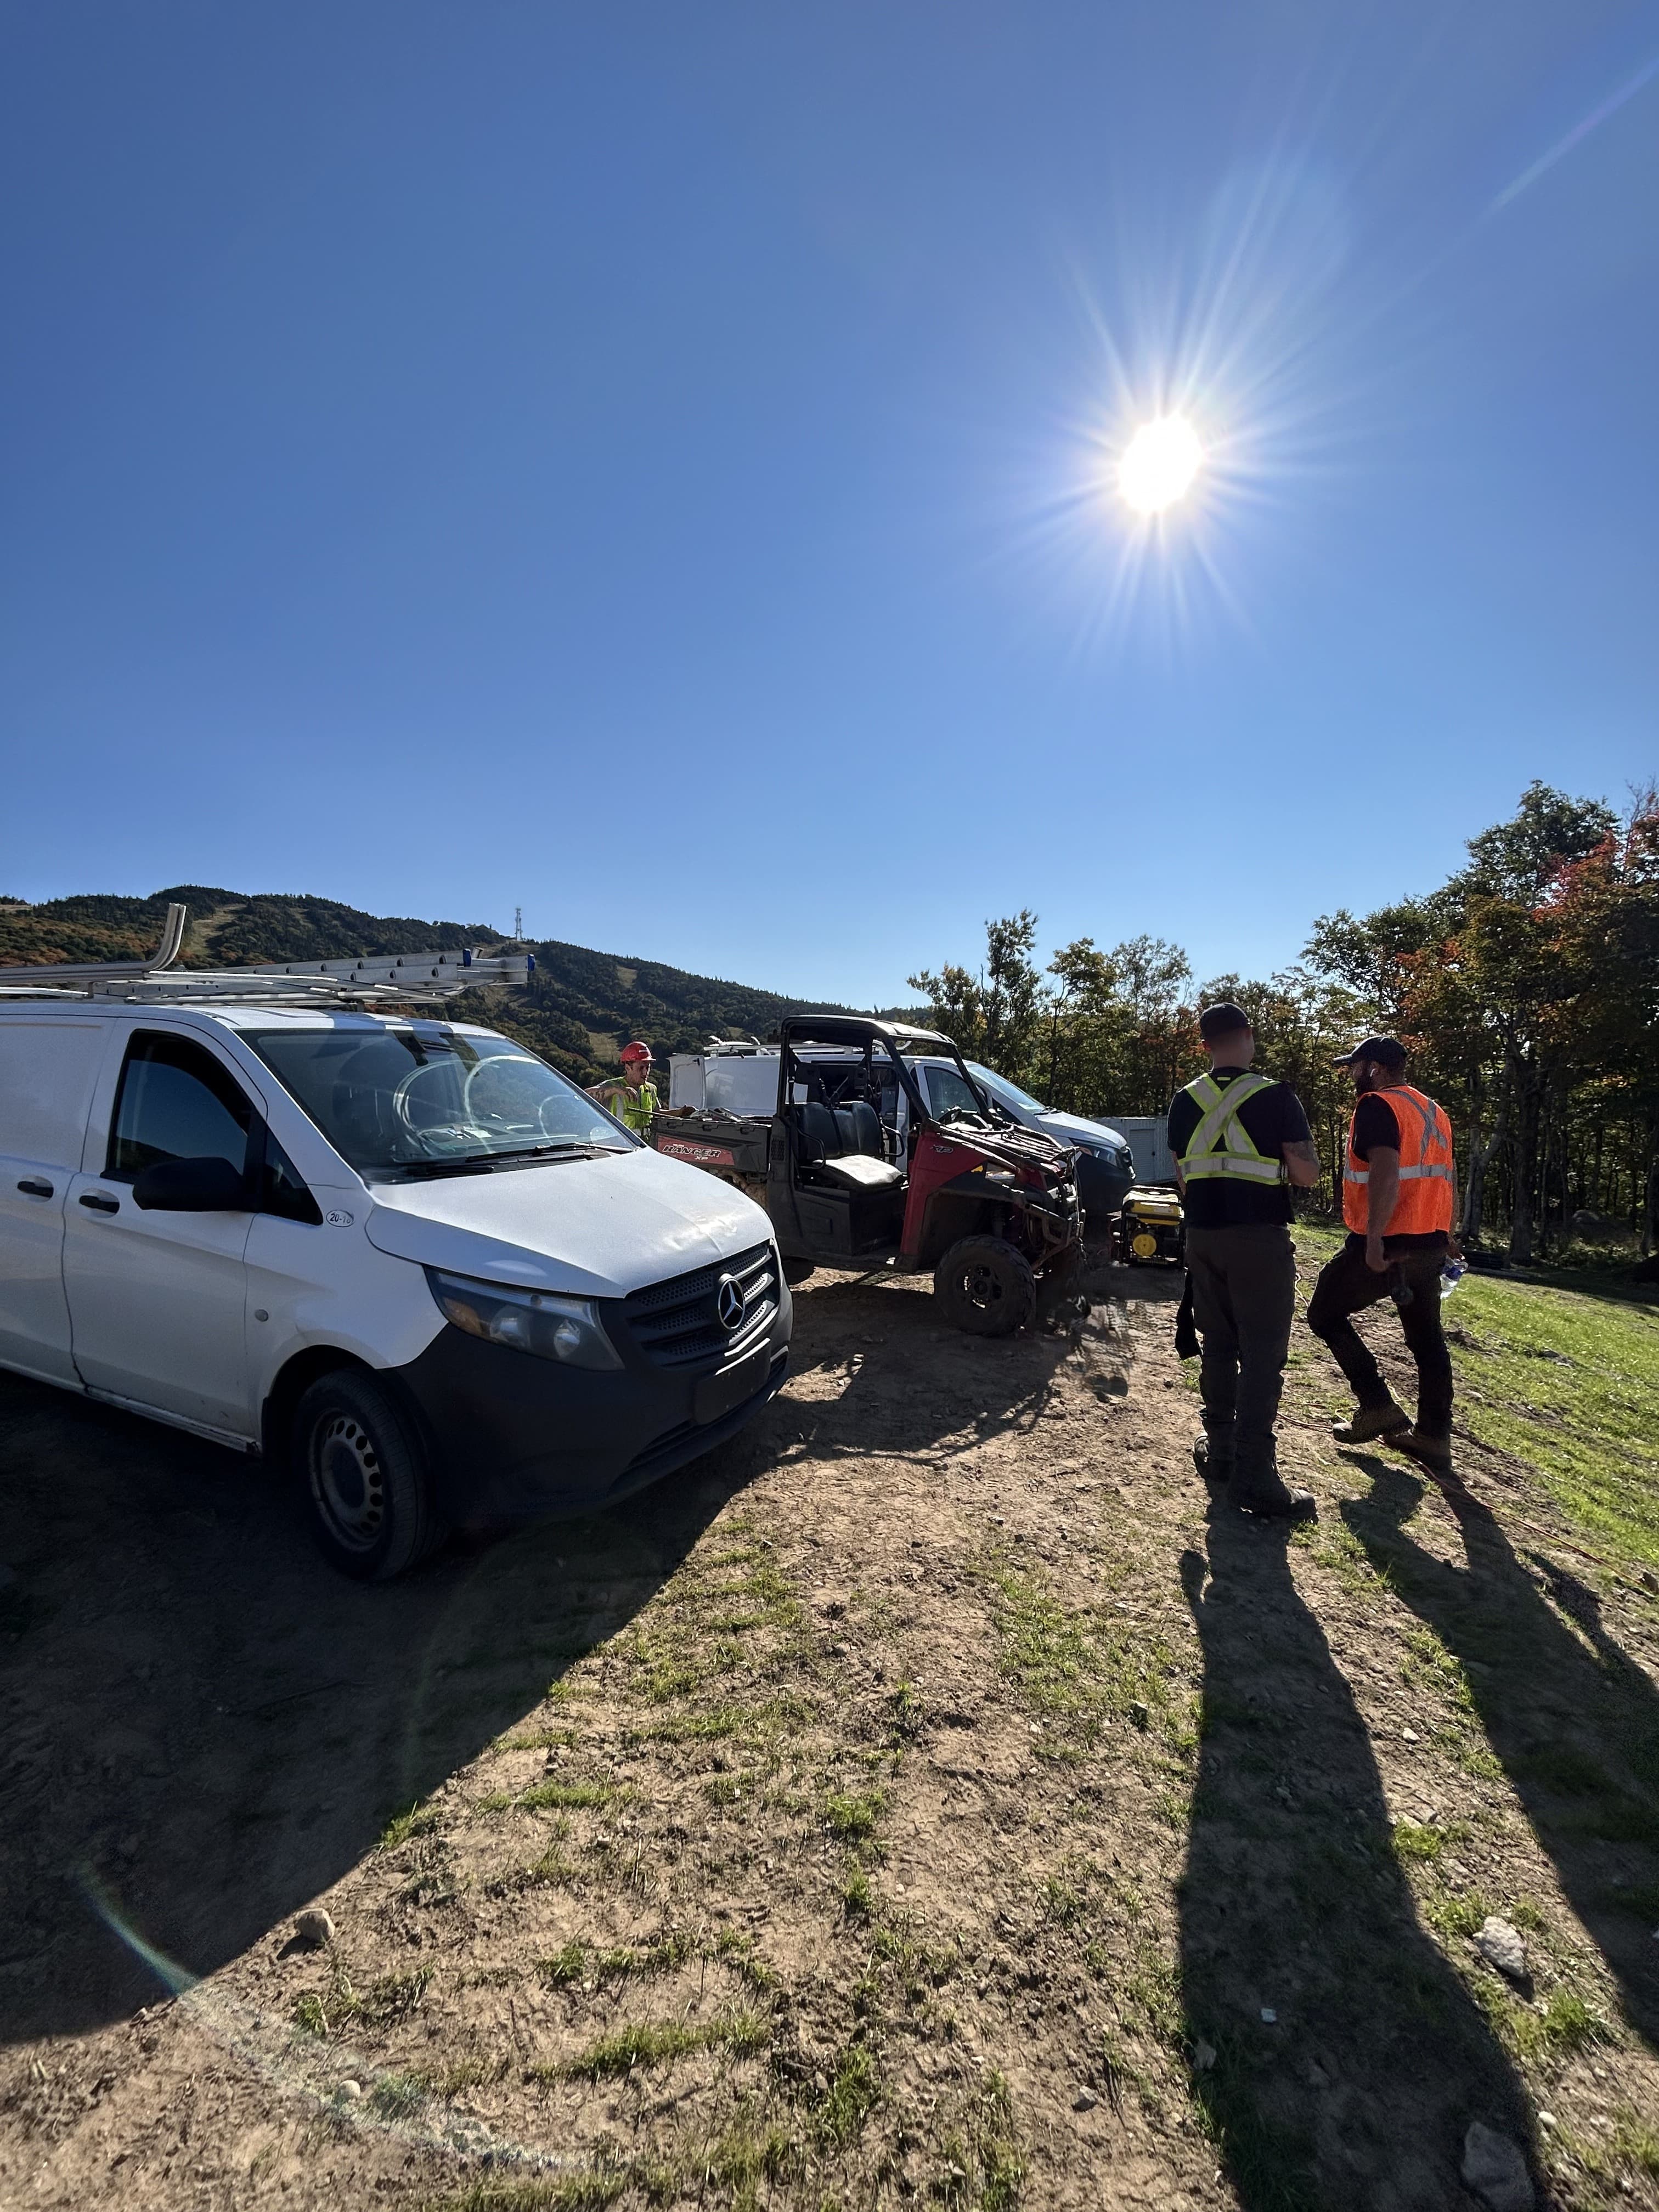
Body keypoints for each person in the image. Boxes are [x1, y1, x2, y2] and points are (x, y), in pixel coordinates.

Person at [1168, 1003, 1323, 1519]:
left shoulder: (1184, 1101)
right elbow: (1305, 1175)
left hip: (1203, 1236)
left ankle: (1221, 1450)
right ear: (1249, 1037)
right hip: (1259, 1238)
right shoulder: (1276, 1096)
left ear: (1205, 1045)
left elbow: (1185, 1178)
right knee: (1262, 1354)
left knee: (1218, 1342)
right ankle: (1256, 1475)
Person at [1307, 1036, 1458, 1477]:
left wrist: (1373, 1239)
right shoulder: (1432, 1110)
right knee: (1427, 1340)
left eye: (1354, 1067)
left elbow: (1388, 1169)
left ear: (1373, 1067)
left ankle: (1376, 1405)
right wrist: (1447, 1232)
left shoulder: (1378, 1106)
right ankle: (1433, 1436)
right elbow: (1446, 1175)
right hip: (1429, 1244)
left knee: (1324, 1314)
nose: (1351, 1075)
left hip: (1391, 1244)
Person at [587, 1040, 660, 1136]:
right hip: (619, 1146)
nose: (645, 1073)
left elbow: (657, 1114)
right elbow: (585, 1097)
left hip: (645, 1147)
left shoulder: (651, 1089)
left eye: (648, 1068)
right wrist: (615, 1090)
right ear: (628, 1068)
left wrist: (680, 1113)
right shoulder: (613, 1086)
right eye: (641, 1068)